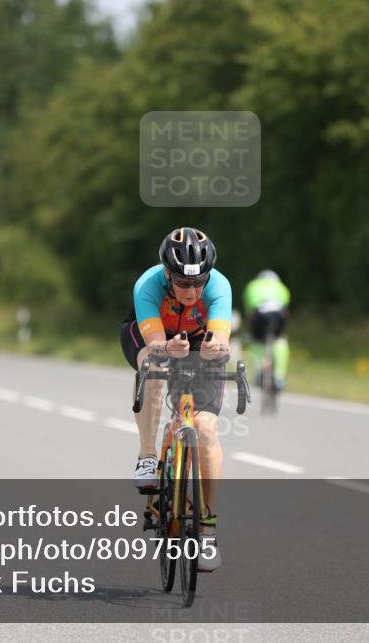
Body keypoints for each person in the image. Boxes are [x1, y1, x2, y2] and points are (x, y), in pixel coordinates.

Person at [120, 227, 231, 571]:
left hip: (197, 339)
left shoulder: (219, 287)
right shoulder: (147, 285)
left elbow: (221, 336)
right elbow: (154, 341)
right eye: (183, 283)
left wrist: (216, 348)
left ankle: (208, 530)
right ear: (167, 273)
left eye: (198, 283)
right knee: (153, 366)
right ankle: (148, 455)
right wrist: (165, 348)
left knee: (207, 429)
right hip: (152, 336)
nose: (192, 291)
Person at [243, 270, 291, 390]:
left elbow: (249, 311)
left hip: (260, 313)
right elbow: (285, 307)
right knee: (280, 340)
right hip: (278, 313)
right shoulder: (281, 286)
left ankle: (259, 372)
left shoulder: (252, 285)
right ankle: (279, 377)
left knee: (257, 341)